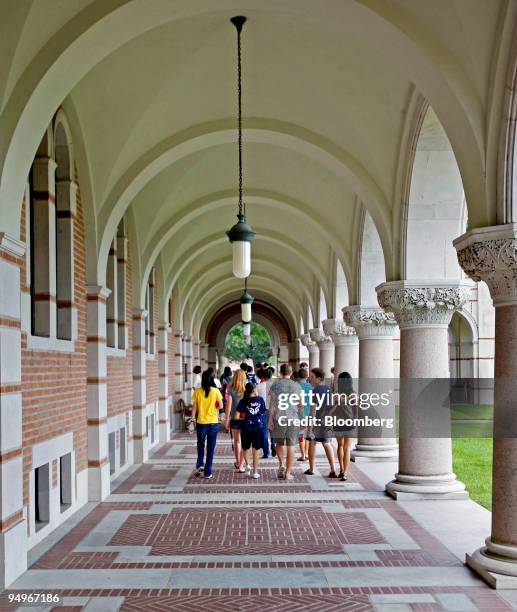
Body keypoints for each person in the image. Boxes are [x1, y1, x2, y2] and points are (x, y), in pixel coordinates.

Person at [268, 363, 303, 481]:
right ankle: (288, 473)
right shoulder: (297, 386)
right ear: (291, 373)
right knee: (291, 446)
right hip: (293, 419)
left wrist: (269, 420)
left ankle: (281, 464)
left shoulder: (275, 385)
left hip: (279, 418)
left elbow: (271, 404)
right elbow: (301, 404)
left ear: (280, 373)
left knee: (279, 443)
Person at [305, 367, 338, 478]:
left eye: (312, 377)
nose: (310, 378)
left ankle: (311, 469)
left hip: (318, 421)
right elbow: (333, 405)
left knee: (312, 443)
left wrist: (310, 425)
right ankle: (333, 469)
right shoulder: (329, 389)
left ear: (318, 378)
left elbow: (313, 410)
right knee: (327, 443)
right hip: (327, 421)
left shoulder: (314, 391)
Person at [191, 369, 223, 479]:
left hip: (201, 422)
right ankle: (207, 472)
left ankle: (200, 464)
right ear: (212, 379)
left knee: (200, 444)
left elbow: (194, 407)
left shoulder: (197, 391)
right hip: (213, 423)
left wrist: (192, 419)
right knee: (210, 448)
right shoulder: (216, 391)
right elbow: (220, 406)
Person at [328, 372, 357, 481]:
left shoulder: (336, 394)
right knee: (347, 448)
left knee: (340, 446)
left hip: (338, 422)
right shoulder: (353, 394)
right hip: (349, 423)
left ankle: (341, 469)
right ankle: (345, 473)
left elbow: (332, 407)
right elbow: (356, 410)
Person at [237, 382, 267, 479]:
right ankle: (255, 472)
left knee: (245, 448)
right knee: (256, 450)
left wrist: (246, 418)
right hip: (258, 428)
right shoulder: (261, 400)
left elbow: (237, 416)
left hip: (246, 427)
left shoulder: (243, 401)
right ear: (254, 390)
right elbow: (262, 413)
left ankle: (247, 465)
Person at [225, 369, 247, 471]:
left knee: (237, 441)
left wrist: (227, 419)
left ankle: (238, 462)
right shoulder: (248, 389)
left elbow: (229, 404)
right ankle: (242, 464)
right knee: (245, 442)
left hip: (235, 418)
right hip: (246, 418)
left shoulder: (231, 388)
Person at [256, 367, 275, 458]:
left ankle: (266, 452)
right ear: (271, 375)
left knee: (264, 432)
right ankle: (273, 445)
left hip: (262, 411)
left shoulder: (259, 386)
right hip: (275, 411)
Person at [297, 368, 312, 462]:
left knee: (301, 435)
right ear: (307, 376)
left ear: (298, 377)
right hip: (310, 413)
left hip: (299, 414)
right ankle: (306, 453)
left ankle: (303, 455)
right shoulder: (311, 387)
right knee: (307, 435)